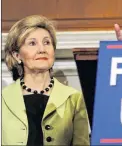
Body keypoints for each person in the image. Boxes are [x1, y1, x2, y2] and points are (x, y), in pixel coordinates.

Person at [2, 15, 90, 146]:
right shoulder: (3, 98)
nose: (42, 50)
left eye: (47, 42)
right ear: (17, 55)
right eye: (32, 43)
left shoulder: (73, 99)